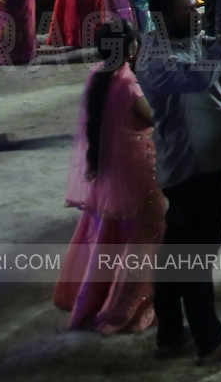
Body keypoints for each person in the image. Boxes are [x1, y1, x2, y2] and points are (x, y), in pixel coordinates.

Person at [137, 0, 221, 364]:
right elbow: (201, 75)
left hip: (203, 164)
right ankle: (210, 341)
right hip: (190, 168)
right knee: (196, 256)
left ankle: (170, 334)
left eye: (195, 7)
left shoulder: (185, 38)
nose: (196, 14)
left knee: (177, 251)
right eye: (186, 10)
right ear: (161, 19)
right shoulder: (155, 56)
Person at [53, 19, 165, 334]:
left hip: (108, 170)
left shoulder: (98, 76)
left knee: (108, 230)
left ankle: (93, 295)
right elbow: (151, 118)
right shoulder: (127, 83)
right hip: (135, 170)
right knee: (146, 231)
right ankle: (126, 304)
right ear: (130, 48)